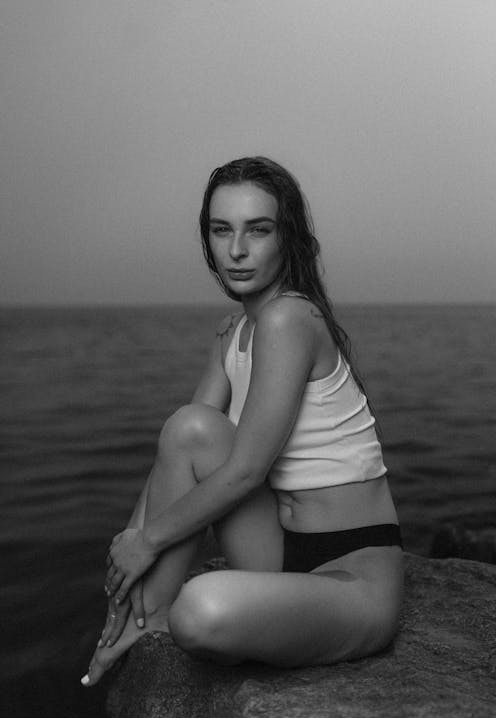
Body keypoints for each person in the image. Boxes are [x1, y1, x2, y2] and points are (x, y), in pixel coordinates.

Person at [81, 156, 403, 686]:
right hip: (279, 545)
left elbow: (247, 471)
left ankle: (167, 614)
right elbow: (178, 451)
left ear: (287, 236)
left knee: (202, 611)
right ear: (207, 238)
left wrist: (151, 540)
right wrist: (127, 555)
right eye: (220, 230)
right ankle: (144, 619)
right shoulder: (234, 335)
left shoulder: (289, 317)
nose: (236, 250)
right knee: (190, 426)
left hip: (354, 576)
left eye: (258, 229)